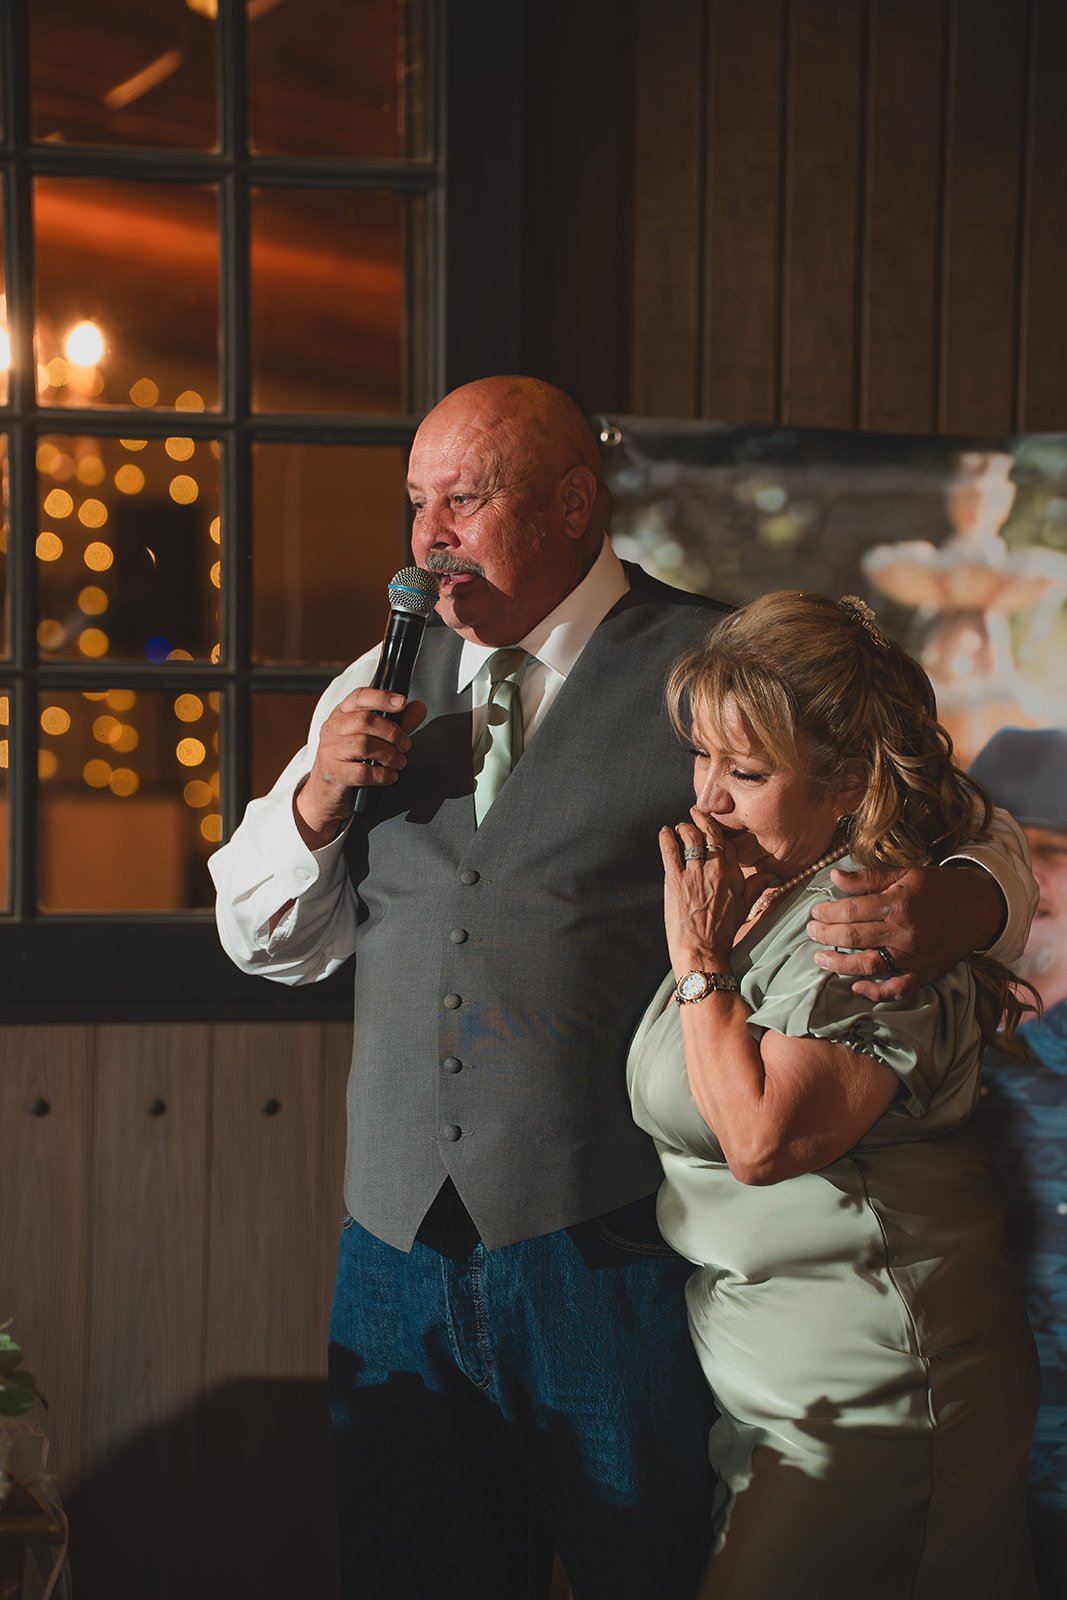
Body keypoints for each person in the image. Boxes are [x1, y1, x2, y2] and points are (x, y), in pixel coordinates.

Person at [210, 377, 1036, 1600]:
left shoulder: (715, 665)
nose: (429, 533)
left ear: (570, 506)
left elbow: (970, 830)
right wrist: (315, 800)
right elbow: (264, 938)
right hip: (392, 1258)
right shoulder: (372, 686)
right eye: (415, 502)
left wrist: (965, 899)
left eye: (466, 498)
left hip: (606, 1249)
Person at [628, 591, 1039, 1599]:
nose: (707, 799)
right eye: (702, 758)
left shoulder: (862, 923)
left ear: (847, 781)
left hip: (881, 1391)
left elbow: (764, 1139)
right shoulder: (757, 880)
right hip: (780, 1393)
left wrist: (693, 963)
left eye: (746, 771)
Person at [970, 727, 1067, 1600]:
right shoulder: (916, 1037)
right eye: (1010, 855)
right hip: (948, 1464)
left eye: (1055, 853)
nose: (1033, 885)